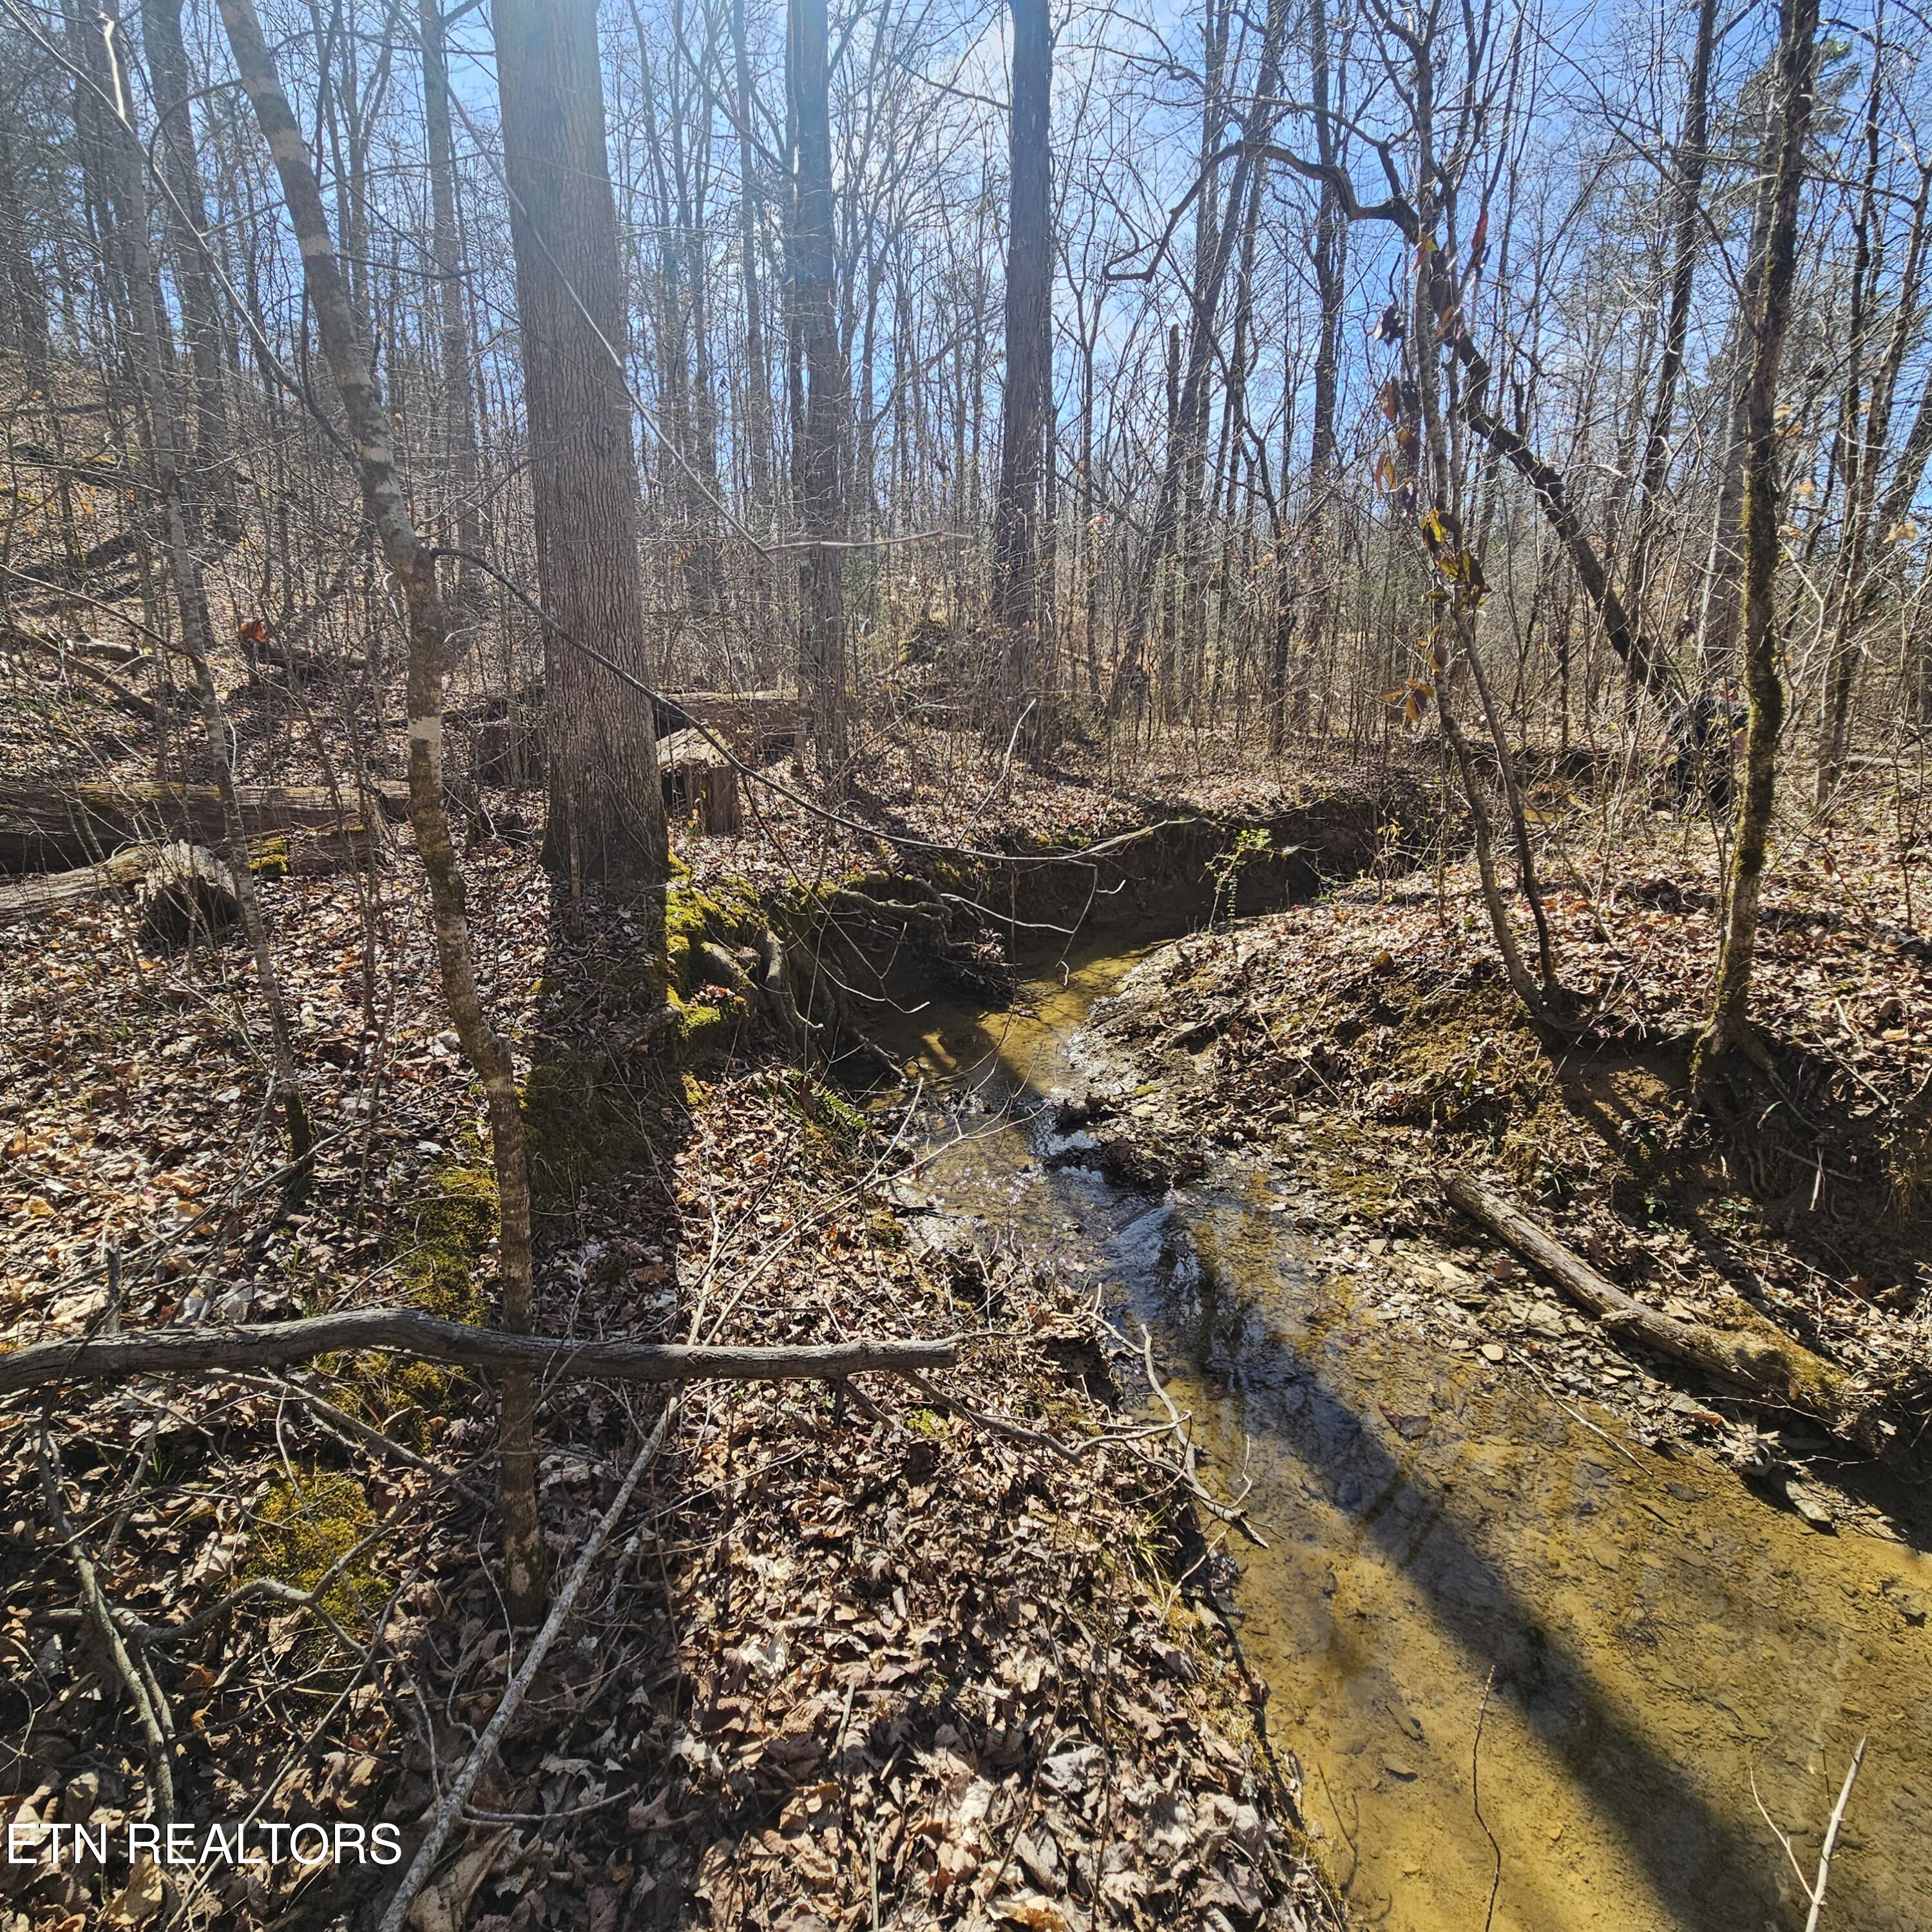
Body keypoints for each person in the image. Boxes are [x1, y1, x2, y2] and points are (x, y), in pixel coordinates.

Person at [1663, 677, 1746, 811]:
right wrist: (1738, 768)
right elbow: (1741, 743)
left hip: (1687, 770)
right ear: (1735, 693)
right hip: (1719, 772)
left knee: (1683, 812)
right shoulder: (1739, 712)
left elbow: (1666, 743)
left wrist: (1660, 766)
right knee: (1718, 814)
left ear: (1714, 691)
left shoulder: (1690, 709)